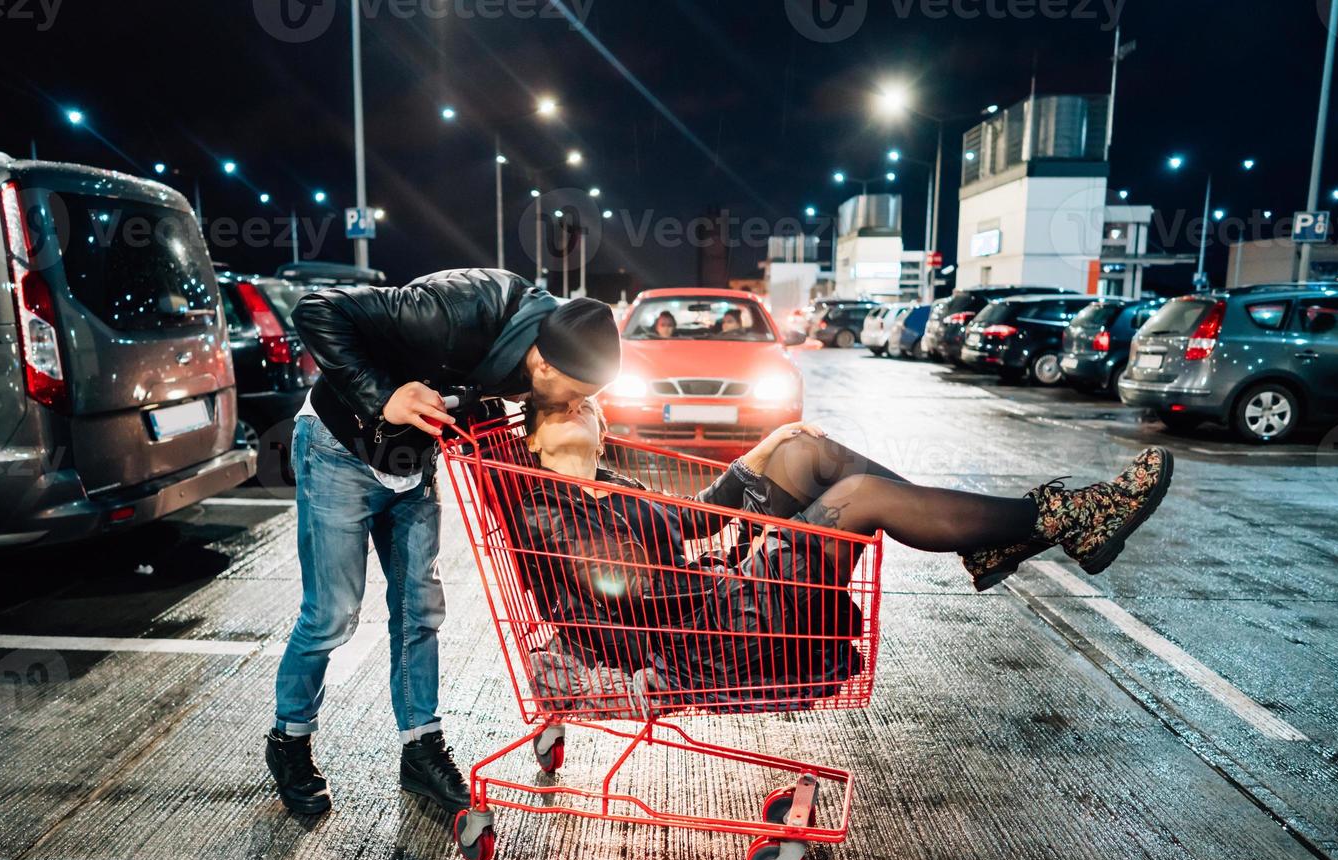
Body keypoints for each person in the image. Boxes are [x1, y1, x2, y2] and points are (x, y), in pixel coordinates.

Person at [507, 399, 1172, 710]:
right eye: (556, 408)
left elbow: (694, 518)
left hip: (717, 603)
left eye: (585, 406)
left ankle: (1000, 539)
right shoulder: (539, 507)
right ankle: (1067, 517)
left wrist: (760, 457)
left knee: (805, 451)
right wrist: (757, 540)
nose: (575, 407)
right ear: (531, 442)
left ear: (602, 437)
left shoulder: (614, 484)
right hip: (704, 633)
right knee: (856, 497)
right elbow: (624, 585)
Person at [266, 269, 621, 816]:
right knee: (332, 615)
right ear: (544, 365)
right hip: (339, 448)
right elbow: (318, 308)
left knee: (419, 612)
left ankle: (420, 748)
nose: (575, 406)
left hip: (411, 464)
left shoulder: (550, 345)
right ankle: (290, 741)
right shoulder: (454, 311)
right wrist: (383, 394)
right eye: (576, 396)